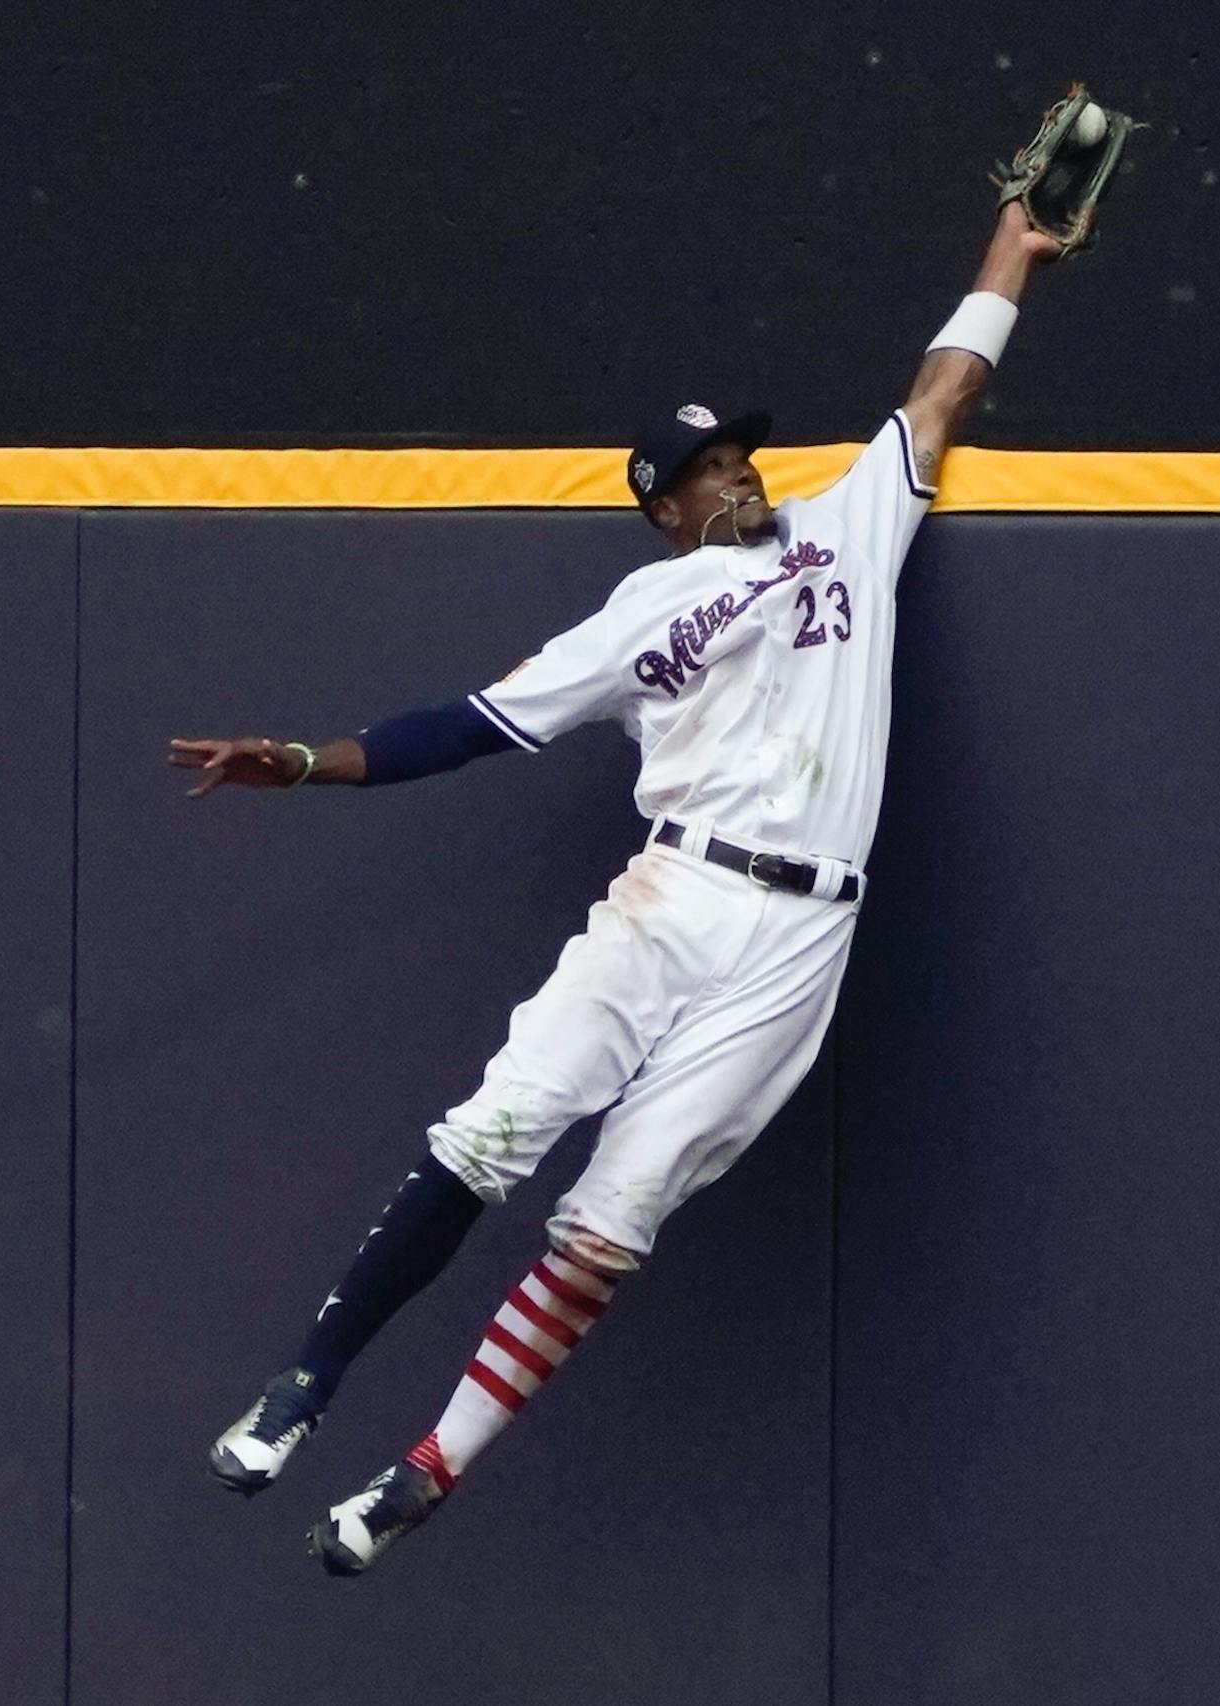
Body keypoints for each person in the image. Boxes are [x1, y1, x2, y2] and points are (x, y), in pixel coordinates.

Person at [169, 199, 1062, 1576]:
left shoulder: (853, 523)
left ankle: (423, 1471)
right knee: (494, 1129)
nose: (737, 473)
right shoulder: (636, 617)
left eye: (739, 453)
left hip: (797, 937)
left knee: (613, 1220)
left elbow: (944, 389)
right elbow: (467, 722)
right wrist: (299, 758)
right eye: (707, 468)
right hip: (666, 904)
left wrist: (1014, 250)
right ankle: (305, 1385)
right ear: (663, 507)